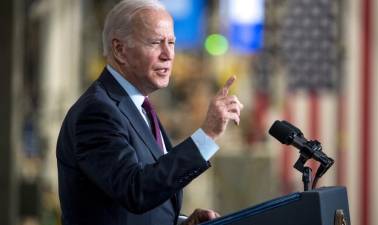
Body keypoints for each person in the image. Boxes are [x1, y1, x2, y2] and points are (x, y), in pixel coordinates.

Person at [56, 0, 243, 225]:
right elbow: (135, 189)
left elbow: (139, 201)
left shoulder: (137, 106)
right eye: (155, 42)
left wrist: (181, 222)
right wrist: (207, 135)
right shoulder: (97, 112)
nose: (168, 54)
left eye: (171, 42)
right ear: (119, 49)